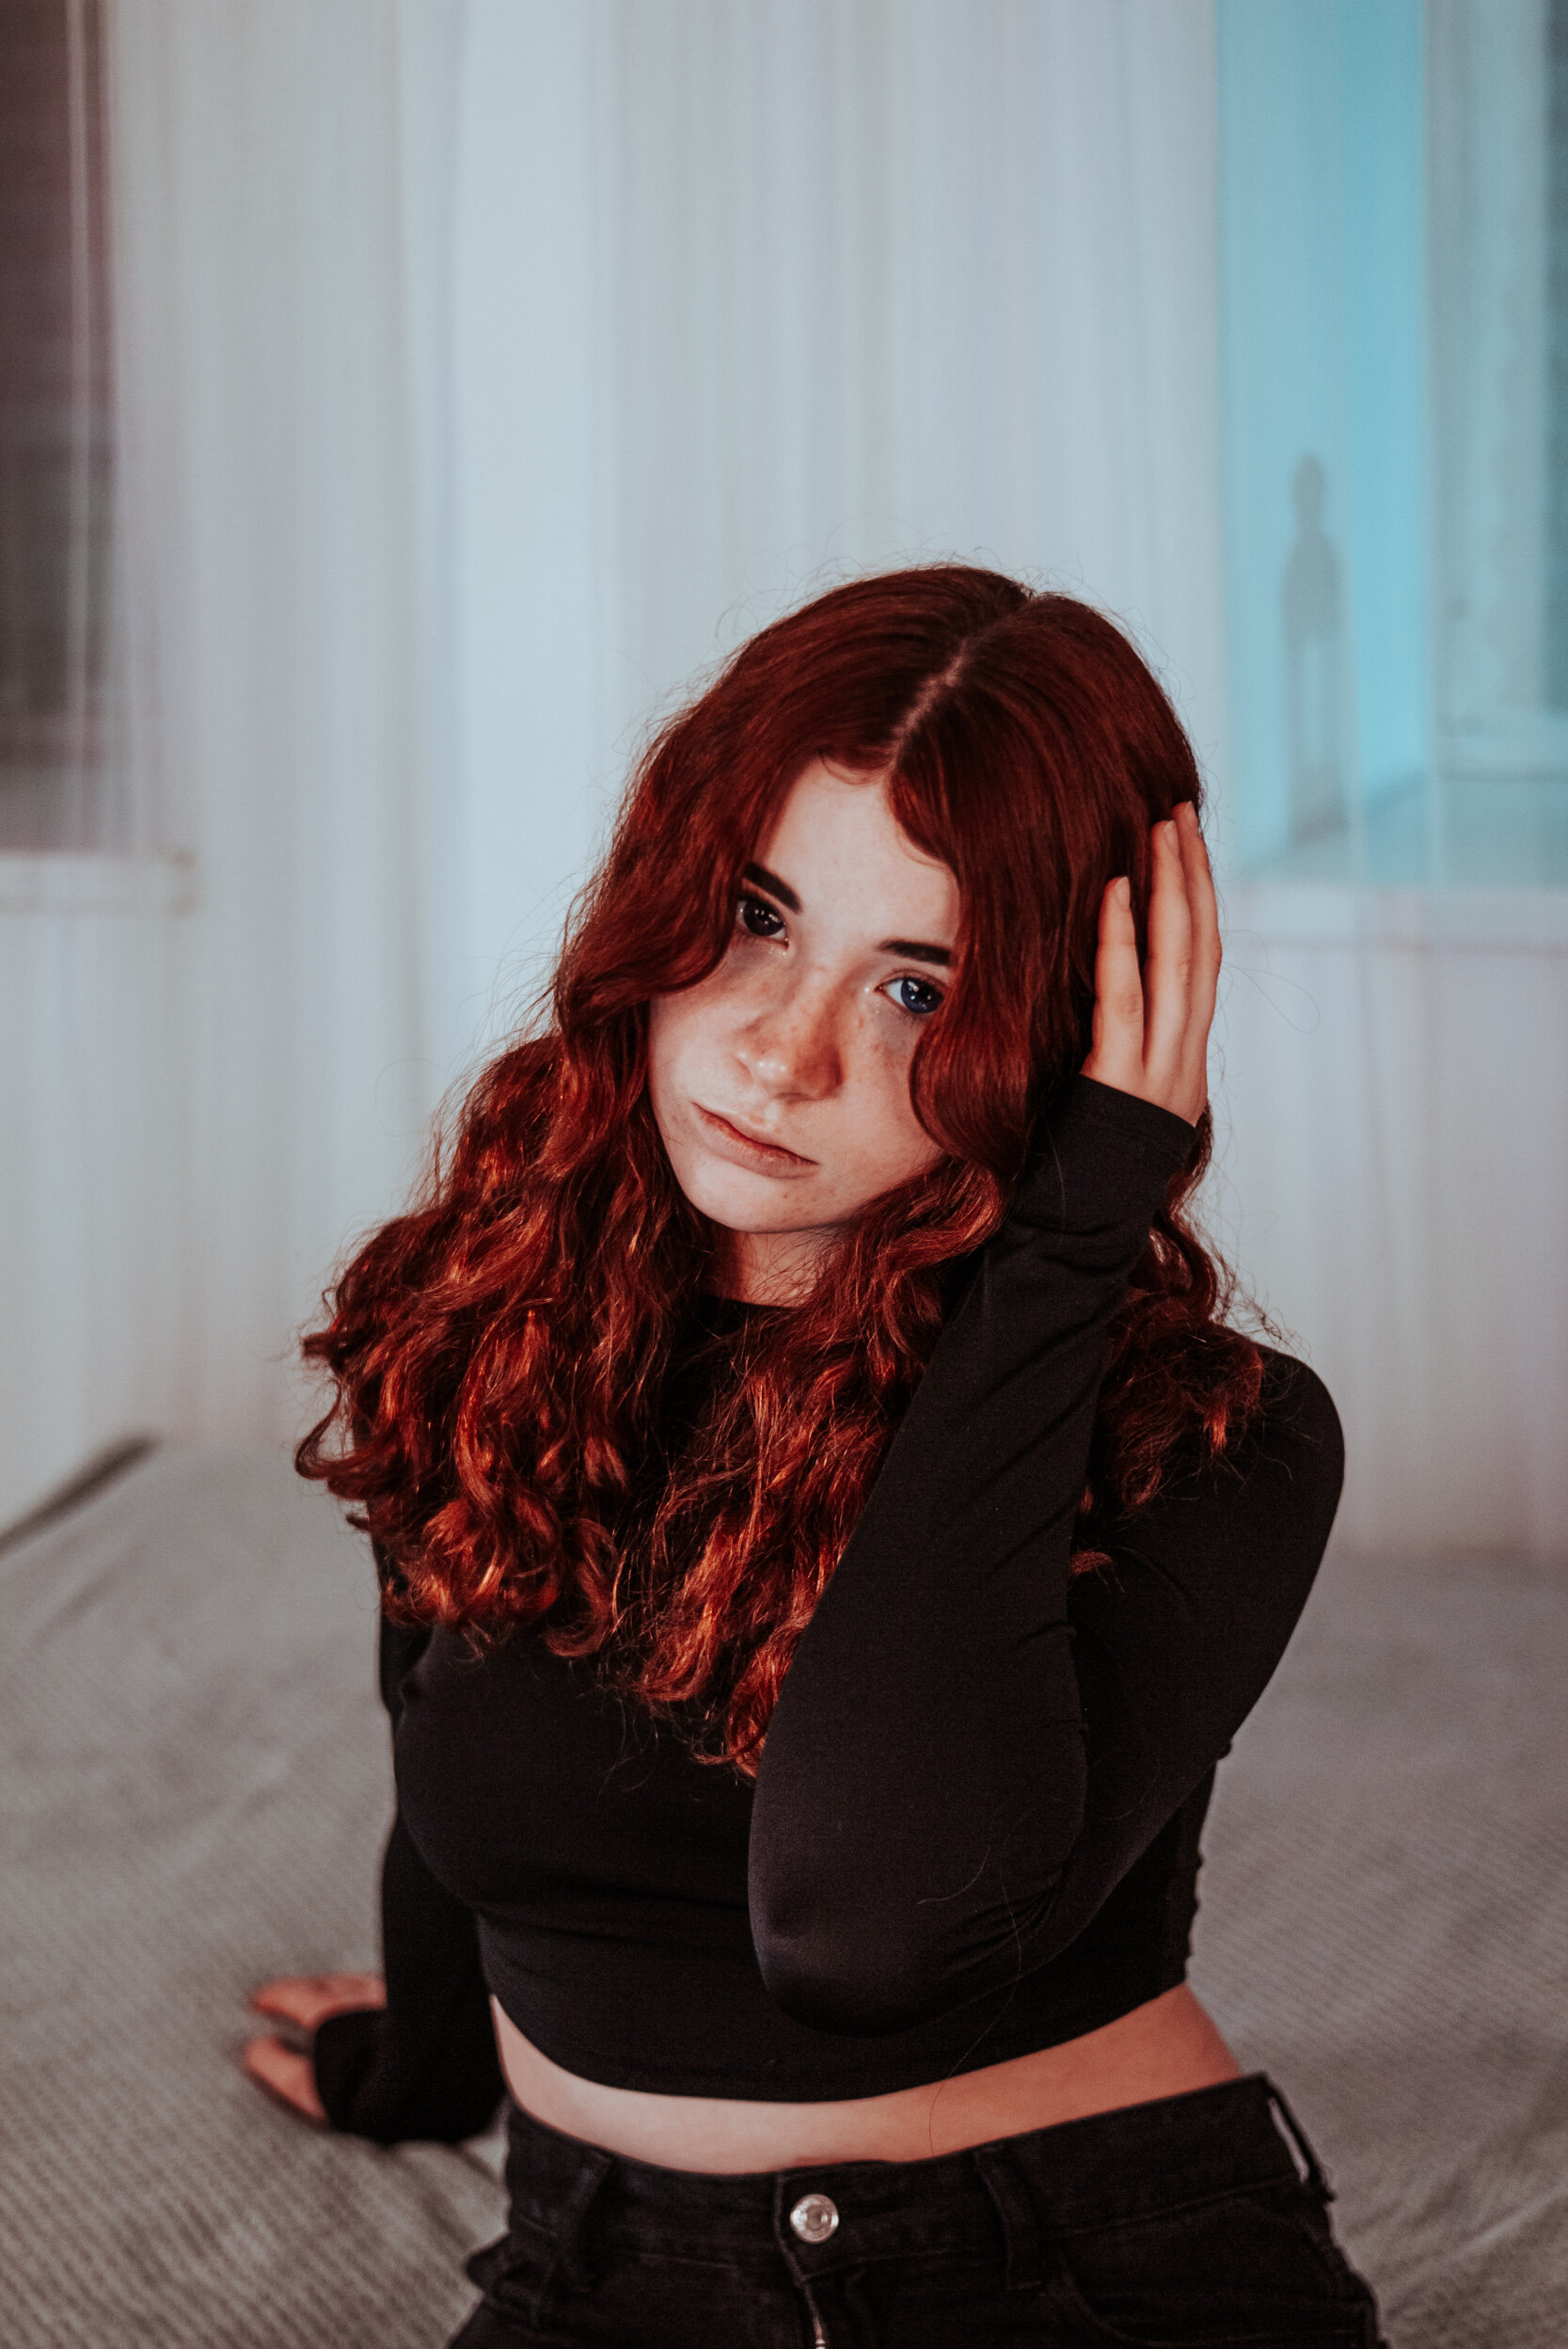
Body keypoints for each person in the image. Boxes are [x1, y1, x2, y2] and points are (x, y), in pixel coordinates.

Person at [244, 568, 1386, 2346]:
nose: (784, 1052)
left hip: (1077, 2258)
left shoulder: (1215, 1440)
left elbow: (867, 1937)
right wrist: (423, 2063)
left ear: (1072, 1035)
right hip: (598, 2260)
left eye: (918, 988)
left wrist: (1071, 1238)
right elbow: (446, 1745)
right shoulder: (489, 1314)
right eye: (758, 918)